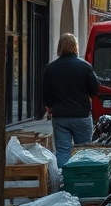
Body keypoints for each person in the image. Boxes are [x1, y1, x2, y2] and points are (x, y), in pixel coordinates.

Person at [42, 33, 100, 167]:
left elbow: (45, 93)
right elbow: (95, 89)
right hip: (81, 115)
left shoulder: (51, 68)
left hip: (60, 116)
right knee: (84, 150)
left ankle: (63, 179)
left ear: (60, 47)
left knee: (63, 150)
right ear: (75, 47)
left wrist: (50, 107)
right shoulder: (85, 66)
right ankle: (83, 178)